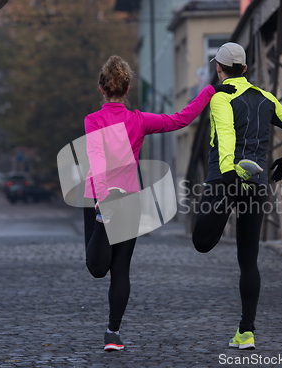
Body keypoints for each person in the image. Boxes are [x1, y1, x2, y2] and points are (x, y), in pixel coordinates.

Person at [83, 55, 236, 351]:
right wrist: (210, 90)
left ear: (101, 88)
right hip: (129, 199)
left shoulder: (93, 120)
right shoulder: (139, 120)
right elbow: (181, 119)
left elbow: (97, 161)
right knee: (121, 270)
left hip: (101, 199)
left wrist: (103, 200)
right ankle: (113, 333)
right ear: (128, 89)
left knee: (96, 267)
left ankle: (102, 225)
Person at [192, 42, 282, 349]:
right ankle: (246, 332)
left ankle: (245, 332)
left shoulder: (221, 96)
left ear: (218, 68)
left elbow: (227, 136)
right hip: (257, 184)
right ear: (245, 69)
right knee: (248, 260)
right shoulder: (267, 98)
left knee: (201, 243)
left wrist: (230, 176)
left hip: (225, 179)